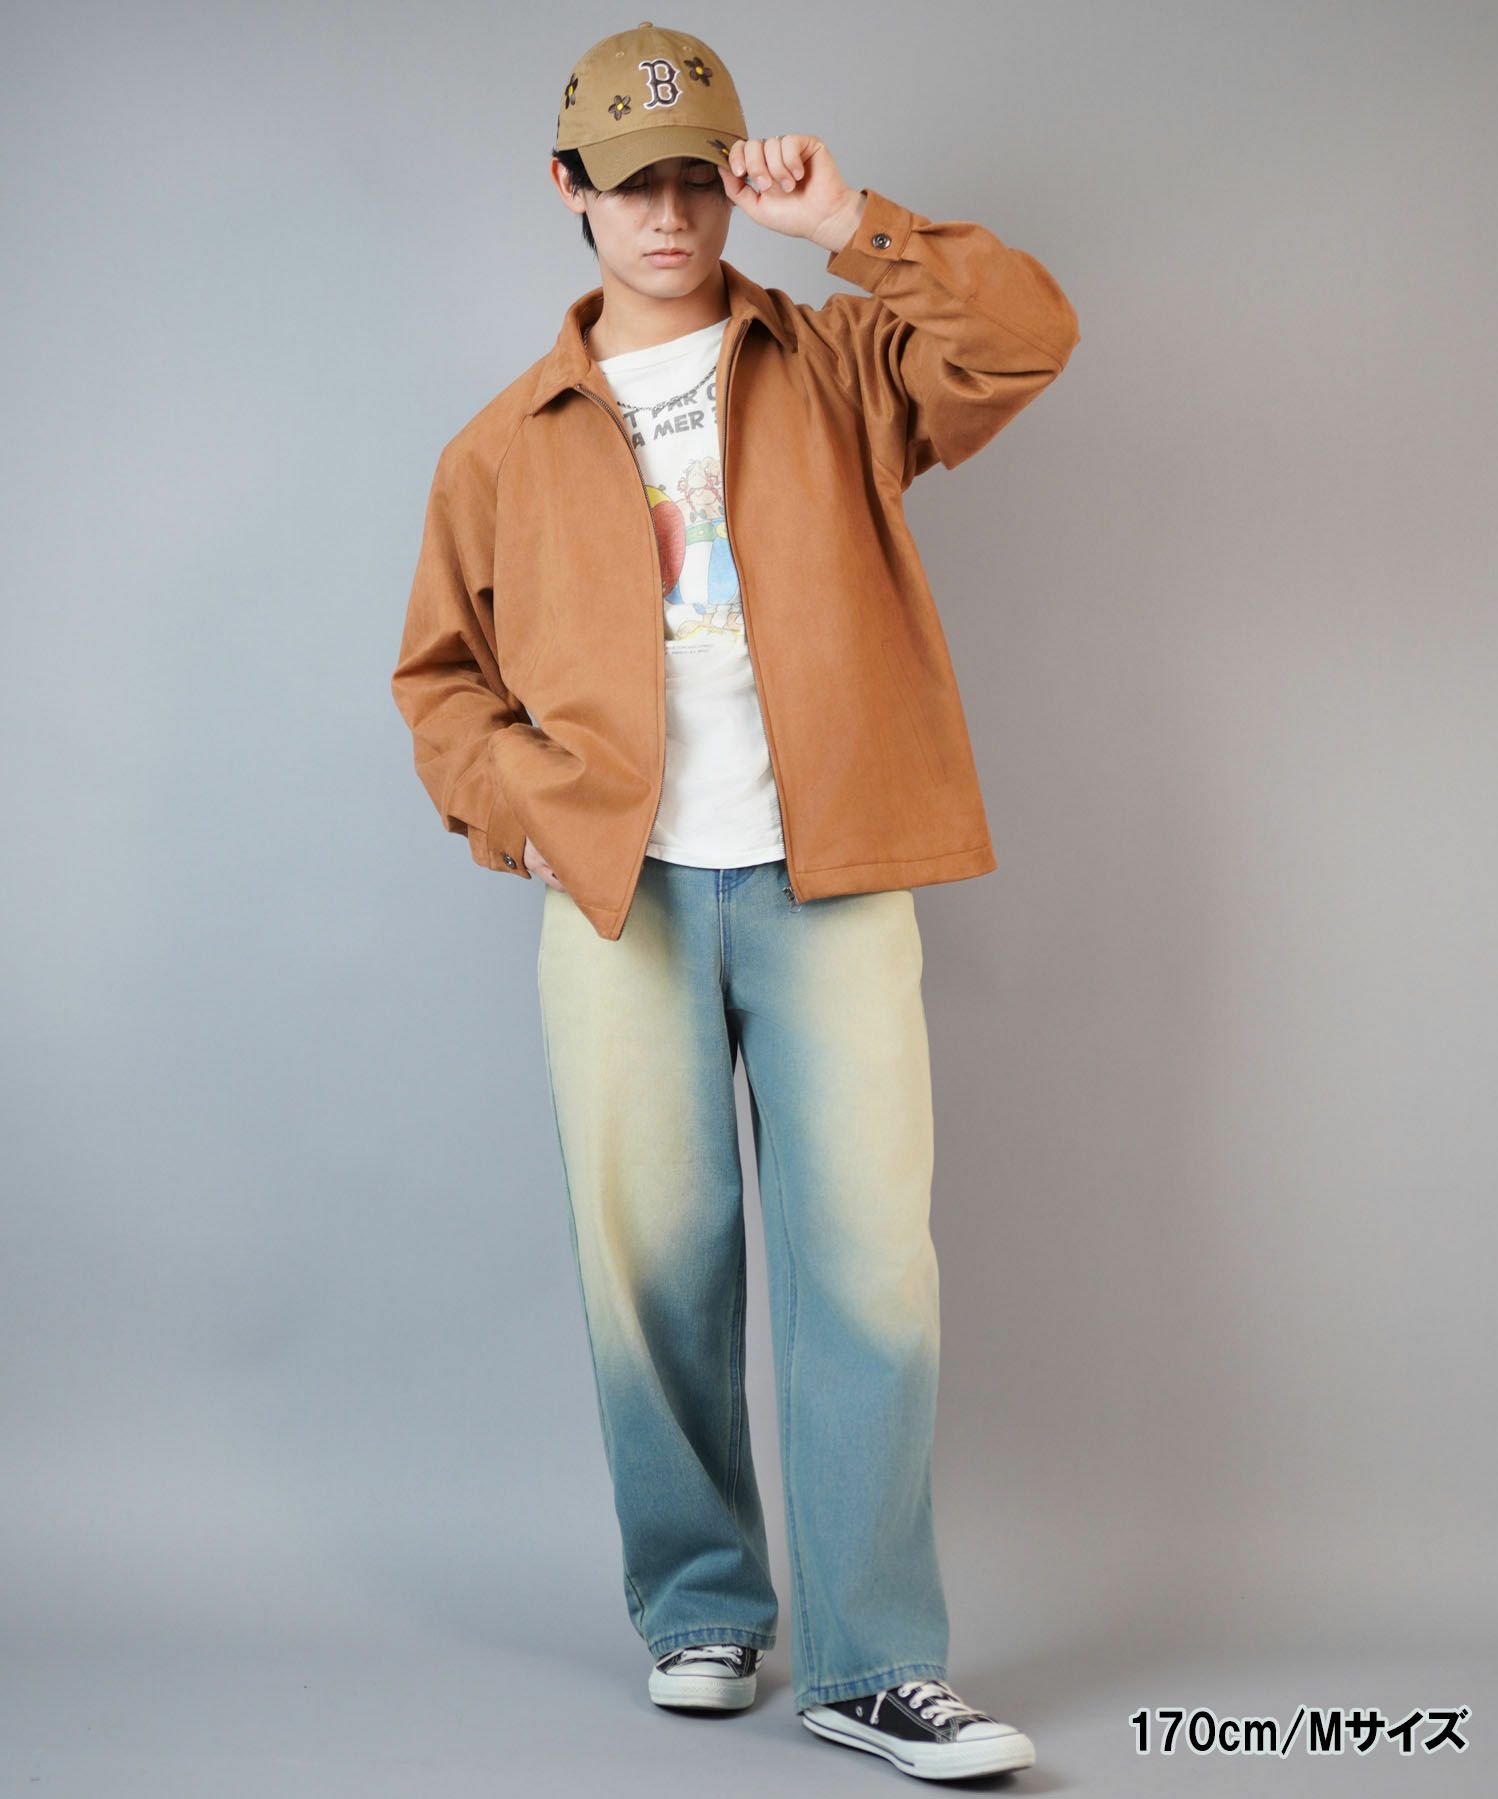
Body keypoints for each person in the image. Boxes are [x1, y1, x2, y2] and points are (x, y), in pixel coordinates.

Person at [391, 21, 1078, 1783]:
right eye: (635, 185)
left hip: (827, 875)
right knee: (654, 1267)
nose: (672, 215)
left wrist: (851, 225)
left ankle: (874, 1664)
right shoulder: (503, 445)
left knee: (871, 1271)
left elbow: (1024, 336)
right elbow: (441, 683)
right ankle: (701, 1608)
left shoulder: (841, 368)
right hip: (617, 901)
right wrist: (525, 816)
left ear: (736, 180)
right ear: (570, 189)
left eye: (701, 179)